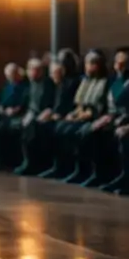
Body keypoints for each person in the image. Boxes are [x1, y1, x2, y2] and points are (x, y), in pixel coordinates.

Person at [45, 50, 108, 182]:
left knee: (77, 132)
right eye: (87, 63)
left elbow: (98, 107)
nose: (88, 67)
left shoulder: (104, 82)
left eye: (91, 64)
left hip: (94, 117)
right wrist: (73, 115)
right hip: (81, 114)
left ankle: (87, 171)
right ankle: (64, 167)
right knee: (59, 128)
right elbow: (79, 103)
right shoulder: (85, 80)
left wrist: (80, 117)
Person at [78, 49, 128, 187]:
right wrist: (106, 118)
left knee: (122, 136)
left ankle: (125, 178)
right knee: (93, 131)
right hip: (115, 119)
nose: (119, 65)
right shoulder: (114, 81)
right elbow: (111, 107)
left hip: (125, 122)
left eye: (124, 63)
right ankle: (100, 174)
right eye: (117, 62)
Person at [12, 58, 55, 175]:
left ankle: (32, 163)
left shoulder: (47, 83)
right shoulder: (30, 84)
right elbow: (27, 103)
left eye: (37, 70)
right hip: (30, 113)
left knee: (32, 129)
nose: (34, 73)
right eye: (32, 70)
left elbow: (50, 103)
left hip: (42, 114)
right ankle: (23, 161)